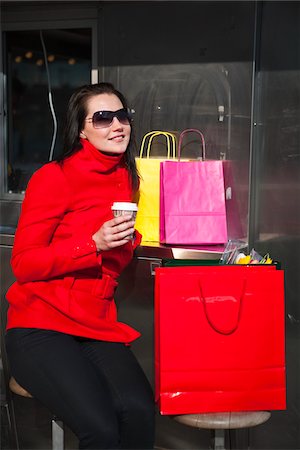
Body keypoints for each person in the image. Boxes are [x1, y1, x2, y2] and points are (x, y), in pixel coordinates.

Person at [5, 82, 155, 450]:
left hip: (95, 323)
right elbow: (24, 264)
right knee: (100, 430)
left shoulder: (127, 178)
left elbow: (112, 264)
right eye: (103, 118)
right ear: (81, 128)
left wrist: (126, 242)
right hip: (41, 324)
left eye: (123, 116)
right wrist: (92, 243)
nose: (117, 125)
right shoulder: (54, 177)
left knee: (139, 412)